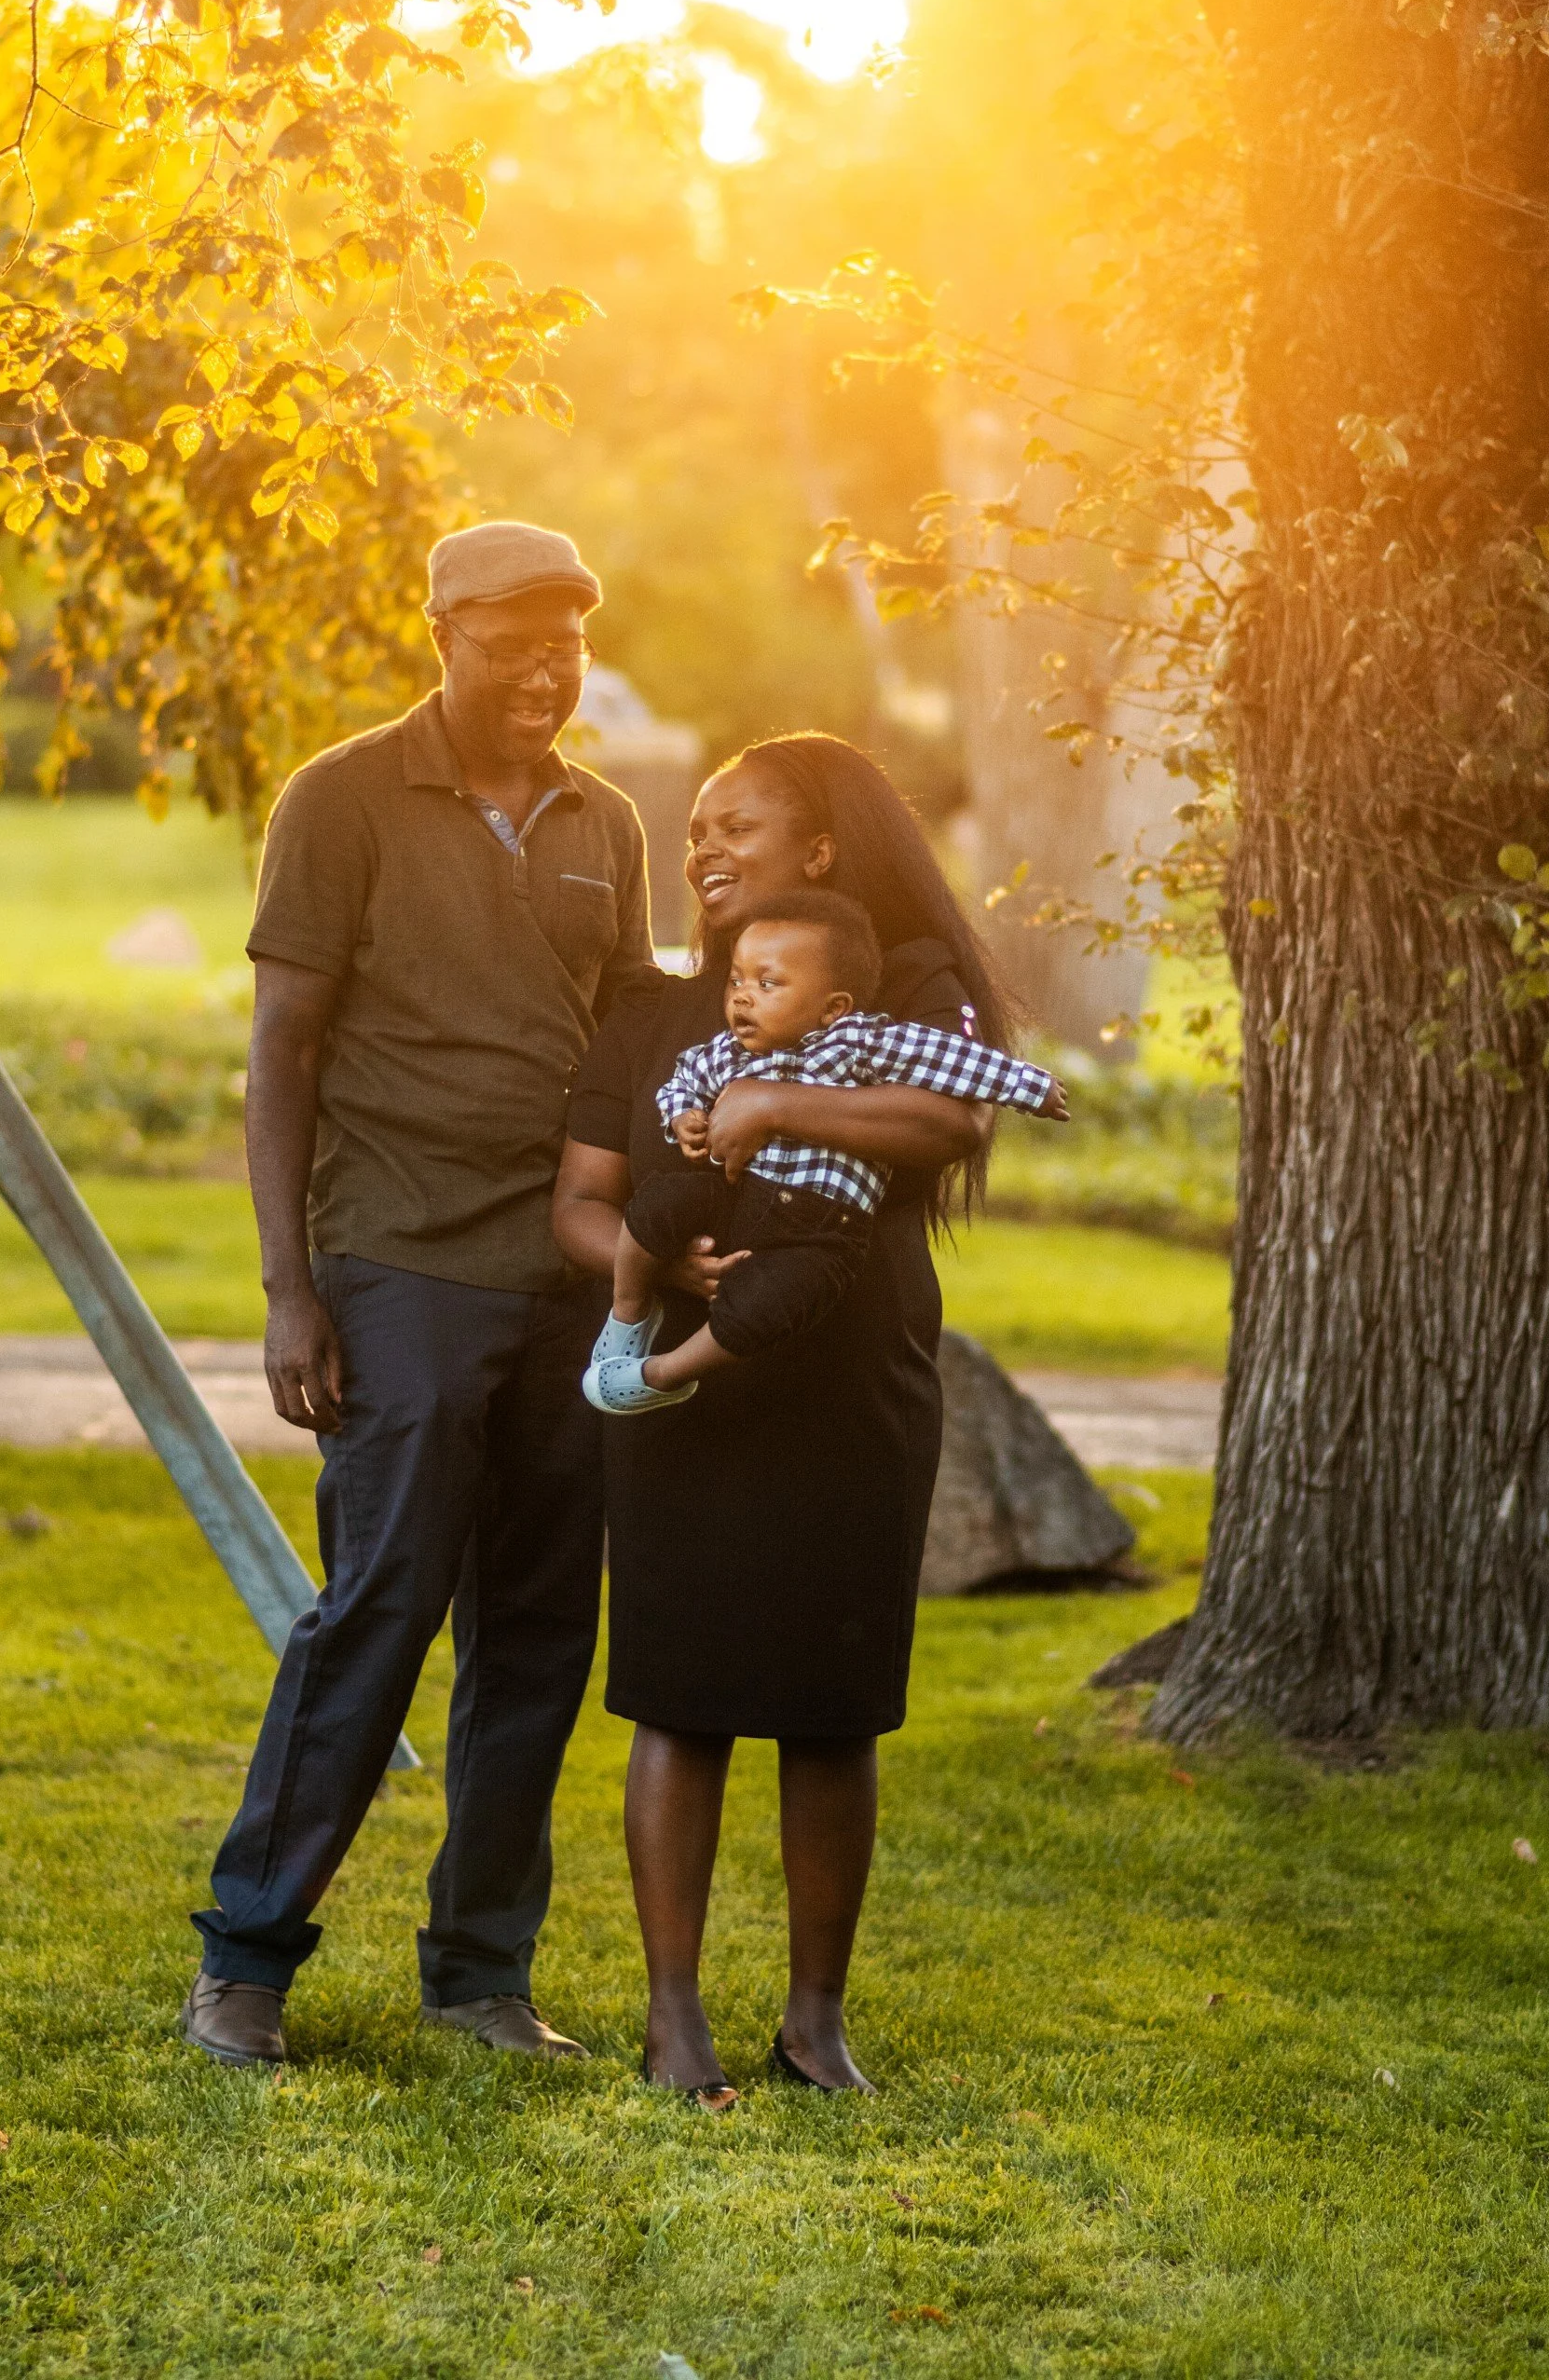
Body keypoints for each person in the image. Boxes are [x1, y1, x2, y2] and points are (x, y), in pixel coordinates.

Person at [181, 520, 652, 2072]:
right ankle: (247, 1960)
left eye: (566, 646)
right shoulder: (340, 799)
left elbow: (626, 1046)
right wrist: (290, 1291)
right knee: (381, 1603)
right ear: (442, 633)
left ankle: (480, 1975)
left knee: (538, 1630)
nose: (544, 672)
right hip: (399, 1262)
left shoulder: (605, 821)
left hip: (567, 1278)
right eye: (513, 644)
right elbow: (285, 1051)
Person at [553, 733, 1026, 2105]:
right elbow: (578, 1202)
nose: (703, 847)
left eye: (737, 825)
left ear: (819, 849)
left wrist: (774, 1099)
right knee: (679, 1699)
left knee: (832, 1709)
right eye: (695, 828)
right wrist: (656, 1273)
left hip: (852, 1385)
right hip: (684, 1394)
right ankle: (674, 2019)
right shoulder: (653, 1016)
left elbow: (948, 1124)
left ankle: (816, 2026)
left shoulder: (899, 983)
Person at [586, 889, 1063, 1411]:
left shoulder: (859, 1042)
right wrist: (683, 1116)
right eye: (736, 981)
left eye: (767, 984)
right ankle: (627, 1315)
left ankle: (664, 1374)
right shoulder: (726, 1051)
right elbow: (682, 1081)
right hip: (737, 1195)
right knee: (656, 1205)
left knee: (760, 1310)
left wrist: (1033, 1088)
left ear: (832, 1008)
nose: (742, 997)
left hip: (821, 1229)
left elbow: (951, 1059)